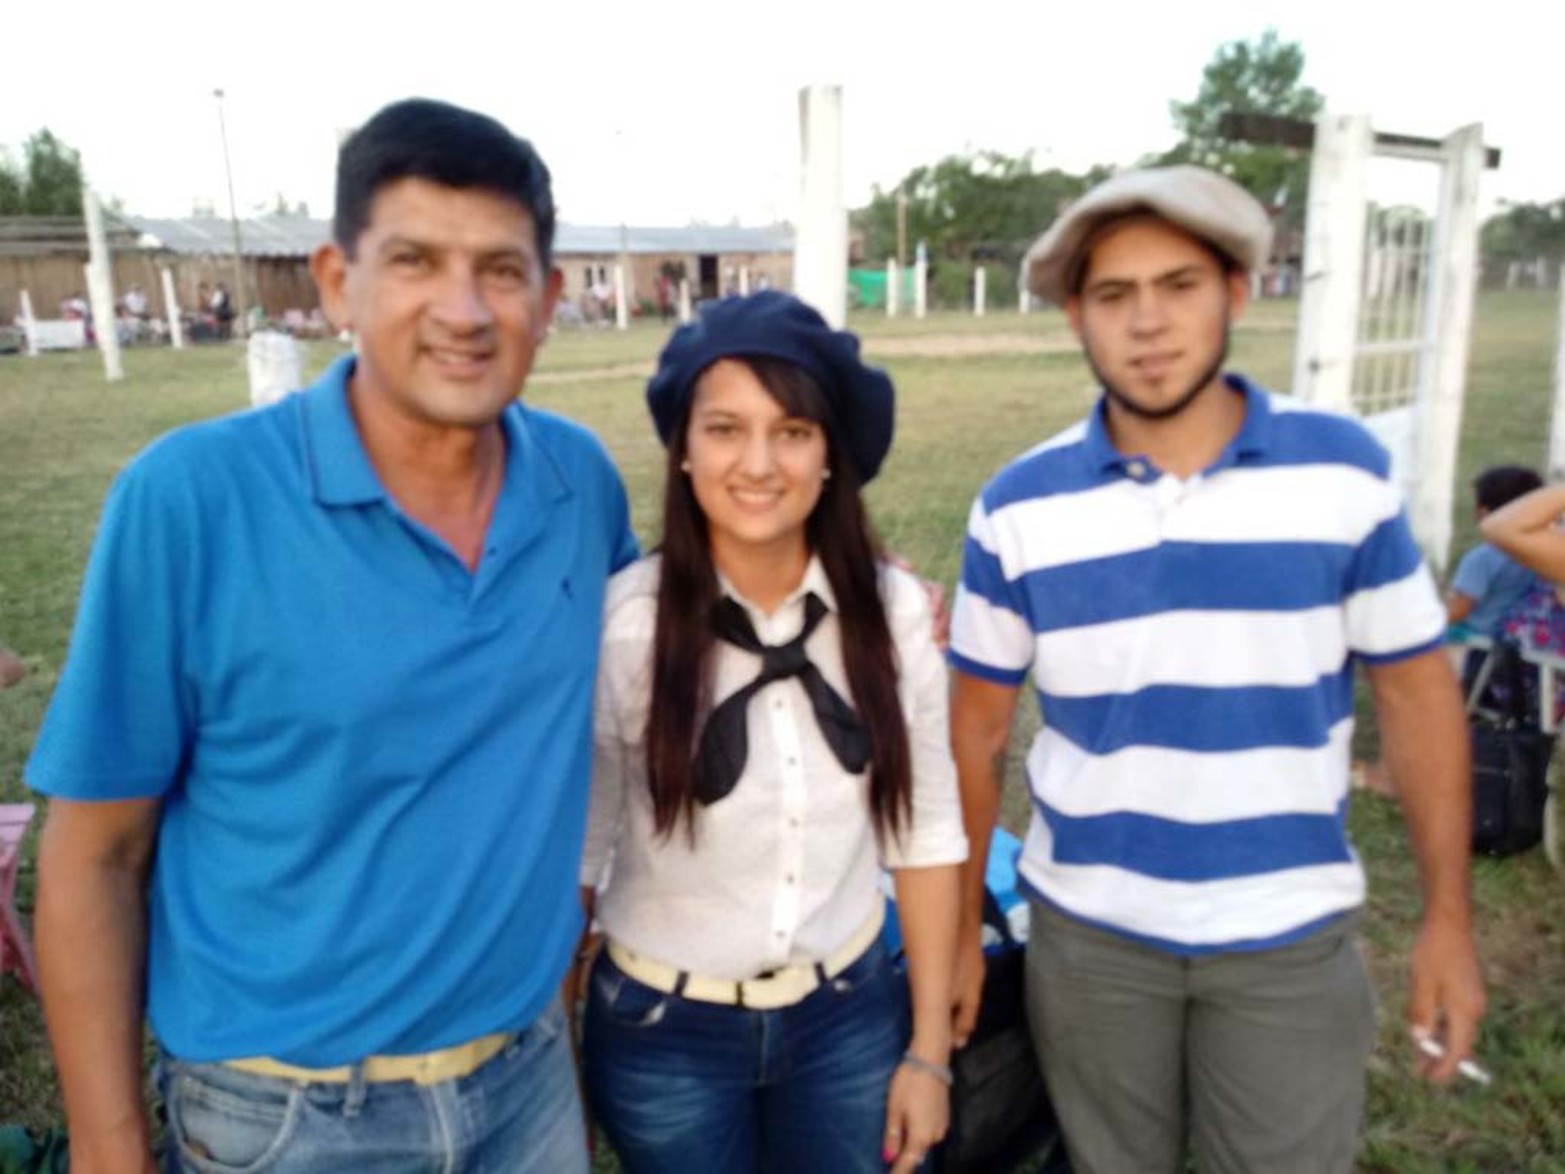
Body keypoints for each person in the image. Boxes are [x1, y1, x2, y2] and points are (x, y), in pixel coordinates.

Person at [27, 98, 636, 1173]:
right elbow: (96, 852)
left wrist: (858, 584)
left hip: (527, 1077)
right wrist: (108, 1143)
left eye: (500, 270)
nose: (463, 310)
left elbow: (667, 639)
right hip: (285, 1118)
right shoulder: (191, 500)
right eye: (414, 260)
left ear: (549, 300)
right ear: (335, 282)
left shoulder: (576, 483)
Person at [946, 165, 1485, 1174]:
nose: (1147, 322)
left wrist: (1445, 920)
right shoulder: (1017, 507)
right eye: (1114, 294)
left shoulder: (1342, 475)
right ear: (1075, 315)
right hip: (1089, 937)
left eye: (1178, 285)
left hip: (1286, 934)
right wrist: (954, 942)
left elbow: (1416, 696)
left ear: (1236, 291)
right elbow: (973, 736)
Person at [579, 291, 966, 1173]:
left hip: (847, 1016)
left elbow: (926, 834)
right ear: (683, 449)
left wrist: (928, 1052)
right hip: (663, 1029)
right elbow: (583, 856)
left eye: (792, 431)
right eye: (724, 429)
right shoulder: (626, 627)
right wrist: (560, 1052)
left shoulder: (894, 615)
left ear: (830, 454)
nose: (758, 463)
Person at [1448, 465, 1544, 641]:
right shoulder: (1543, 553)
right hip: (1525, 639)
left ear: (1483, 513)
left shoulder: (1481, 558)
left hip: (1482, 642)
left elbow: (1458, 610)